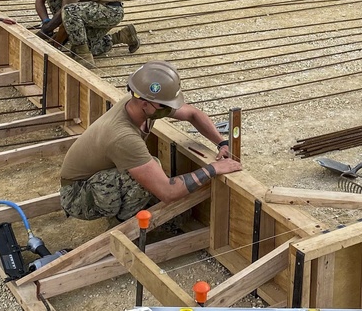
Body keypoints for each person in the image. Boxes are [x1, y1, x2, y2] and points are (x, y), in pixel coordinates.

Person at [60, 61, 242, 222]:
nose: (170, 109)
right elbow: (168, 192)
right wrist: (213, 168)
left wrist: (221, 142)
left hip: (93, 179)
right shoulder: (124, 137)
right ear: (144, 103)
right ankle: (125, 223)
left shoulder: (143, 104)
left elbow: (192, 114)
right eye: (166, 105)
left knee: (148, 170)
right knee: (146, 172)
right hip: (76, 195)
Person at [26, 0, 138, 66]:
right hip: (101, 10)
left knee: (69, 11)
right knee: (81, 48)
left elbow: (64, 15)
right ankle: (123, 36)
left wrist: (50, 40)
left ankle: (85, 57)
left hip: (111, 11)